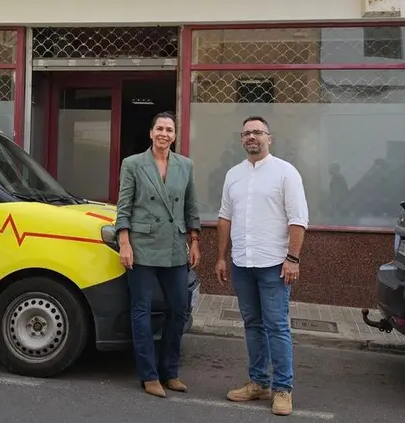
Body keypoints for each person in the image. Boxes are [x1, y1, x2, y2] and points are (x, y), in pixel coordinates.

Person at [214, 116, 308, 416]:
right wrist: (220, 256)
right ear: (241, 140)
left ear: (270, 137)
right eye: (246, 133)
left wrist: (293, 258)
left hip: (274, 264)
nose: (252, 137)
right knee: (252, 325)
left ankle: (283, 389)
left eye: (257, 132)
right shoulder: (233, 175)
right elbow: (225, 217)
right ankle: (258, 383)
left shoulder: (285, 173)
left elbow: (298, 218)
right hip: (242, 262)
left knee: (277, 326)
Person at [115, 111, 201, 398]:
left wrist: (195, 240)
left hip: (175, 246)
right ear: (151, 133)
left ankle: (170, 372)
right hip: (141, 245)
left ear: (174, 135)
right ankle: (149, 375)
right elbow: (123, 206)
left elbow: (191, 207)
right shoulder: (133, 164)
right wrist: (124, 243)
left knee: (179, 308)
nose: (164, 133)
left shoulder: (185, 166)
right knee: (140, 310)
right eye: (160, 128)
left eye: (169, 129)